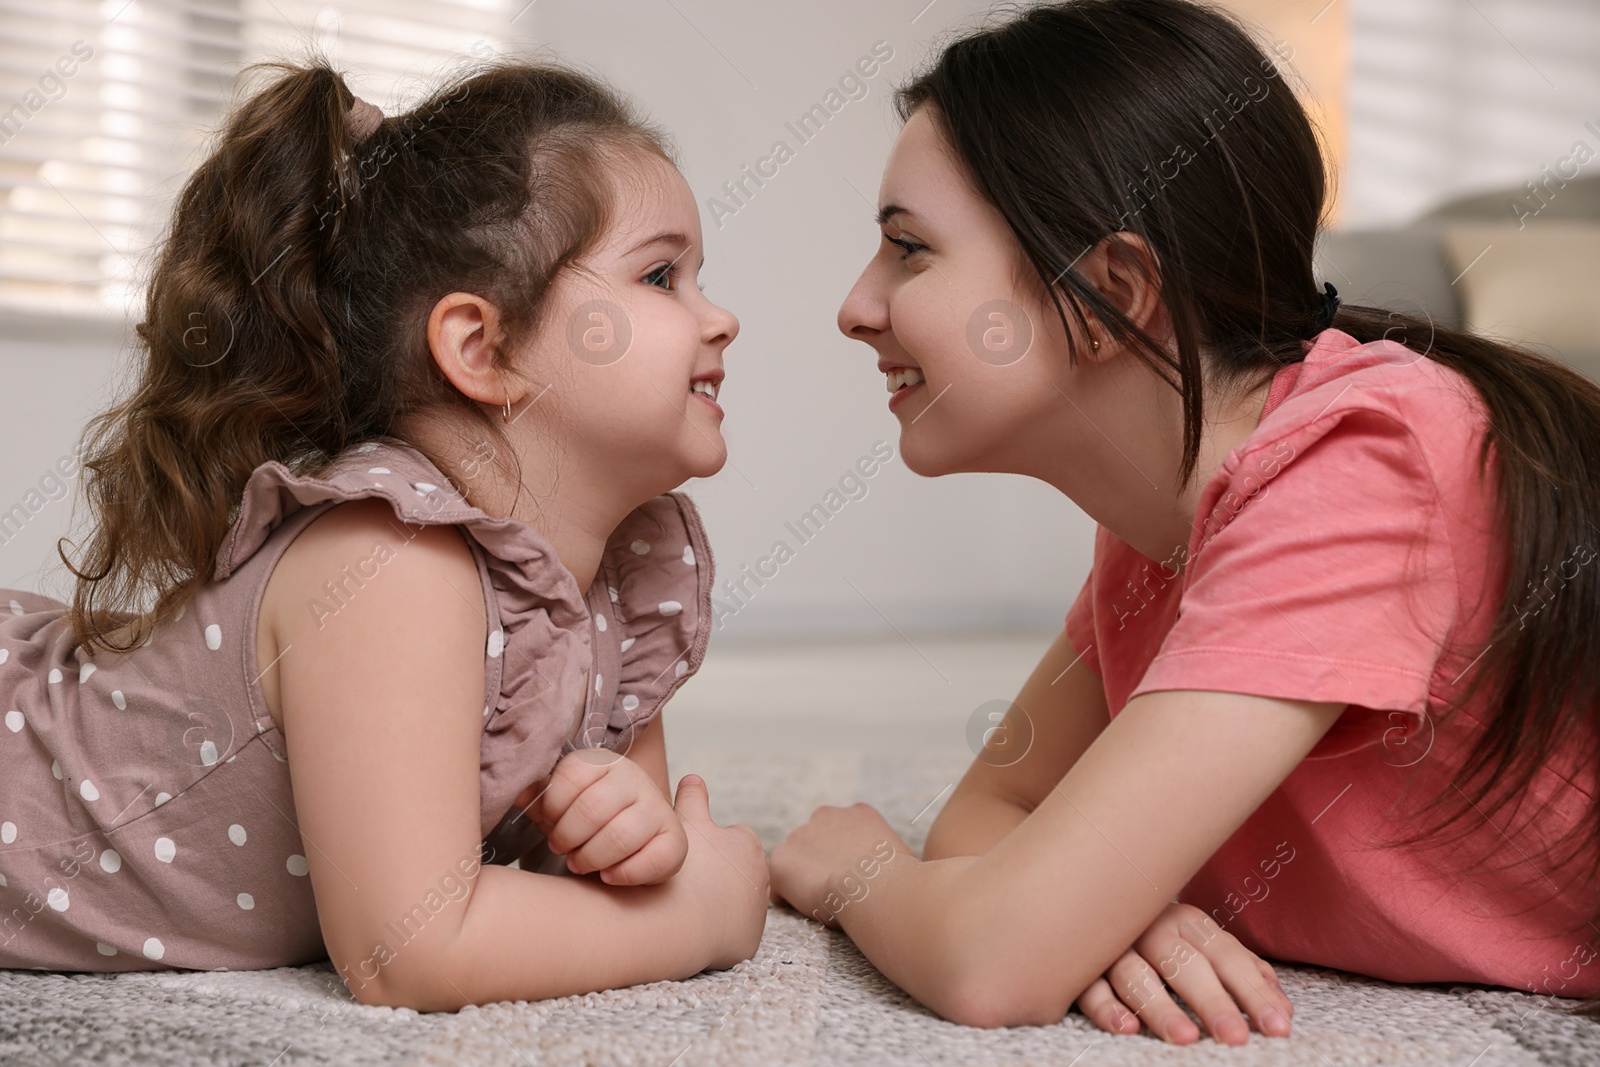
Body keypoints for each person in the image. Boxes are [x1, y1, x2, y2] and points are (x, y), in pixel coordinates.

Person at [769, 0, 1600, 1045]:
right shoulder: (1165, 515)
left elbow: (992, 960)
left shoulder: (1361, 464)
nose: (856, 305)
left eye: (908, 250)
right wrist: (1106, 910)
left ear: (1110, 290)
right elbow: (991, 812)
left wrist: (857, 868)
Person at [0, 56, 768, 1010]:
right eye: (662, 275)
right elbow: (410, 949)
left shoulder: (621, 576)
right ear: (481, 349)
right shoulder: (385, 563)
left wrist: (630, 838)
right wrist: (700, 918)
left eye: (700, 276)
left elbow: (589, 894)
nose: (722, 317)